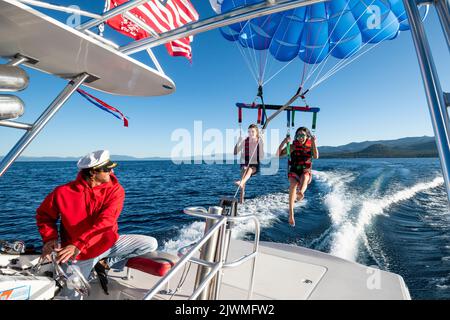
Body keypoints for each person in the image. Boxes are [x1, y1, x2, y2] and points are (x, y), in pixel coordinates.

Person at [36, 150, 158, 299]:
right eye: (107, 169)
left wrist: (78, 244)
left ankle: (105, 261)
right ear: (93, 172)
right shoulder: (62, 192)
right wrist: (50, 238)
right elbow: (44, 216)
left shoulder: (115, 190)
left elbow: (106, 222)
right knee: (71, 296)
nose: (112, 171)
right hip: (80, 253)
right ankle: (94, 264)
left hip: (107, 243)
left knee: (150, 243)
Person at [277, 127, 319, 227]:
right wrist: (284, 141)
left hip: (305, 171)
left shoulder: (310, 146)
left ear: (307, 136)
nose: (300, 137)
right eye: (298, 135)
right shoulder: (292, 147)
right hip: (294, 171)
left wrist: (314, 142)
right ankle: (291, 214)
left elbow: (316, 156)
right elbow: (278, 154)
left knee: (304, 177)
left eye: (302, 135)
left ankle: (300, 193)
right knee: (293, 185)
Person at [234, 124, 264, 204]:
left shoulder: (259, 141)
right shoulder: (245, 141)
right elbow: (235, 152)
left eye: (252, 132)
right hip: (245, 164)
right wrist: (238, 142)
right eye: (249, 132)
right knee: (244, 169)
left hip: (255, 166)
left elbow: (261, 156)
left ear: (257, 133)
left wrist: (261, 144)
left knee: (249, 169)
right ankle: (241, 199)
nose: (250, 133)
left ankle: (241, 182)